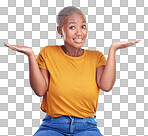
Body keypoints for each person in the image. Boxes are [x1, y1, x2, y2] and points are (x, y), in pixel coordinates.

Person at [4, 6, 141, 136]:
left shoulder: (96, 57)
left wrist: (113, 50)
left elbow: (106, 86)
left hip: (87, 126)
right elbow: (40, 90)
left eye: (83, 26)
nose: (79, 32)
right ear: (59, 30)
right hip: (53, 125)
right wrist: (30, 55)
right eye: (72, 27)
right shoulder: (48, 52)